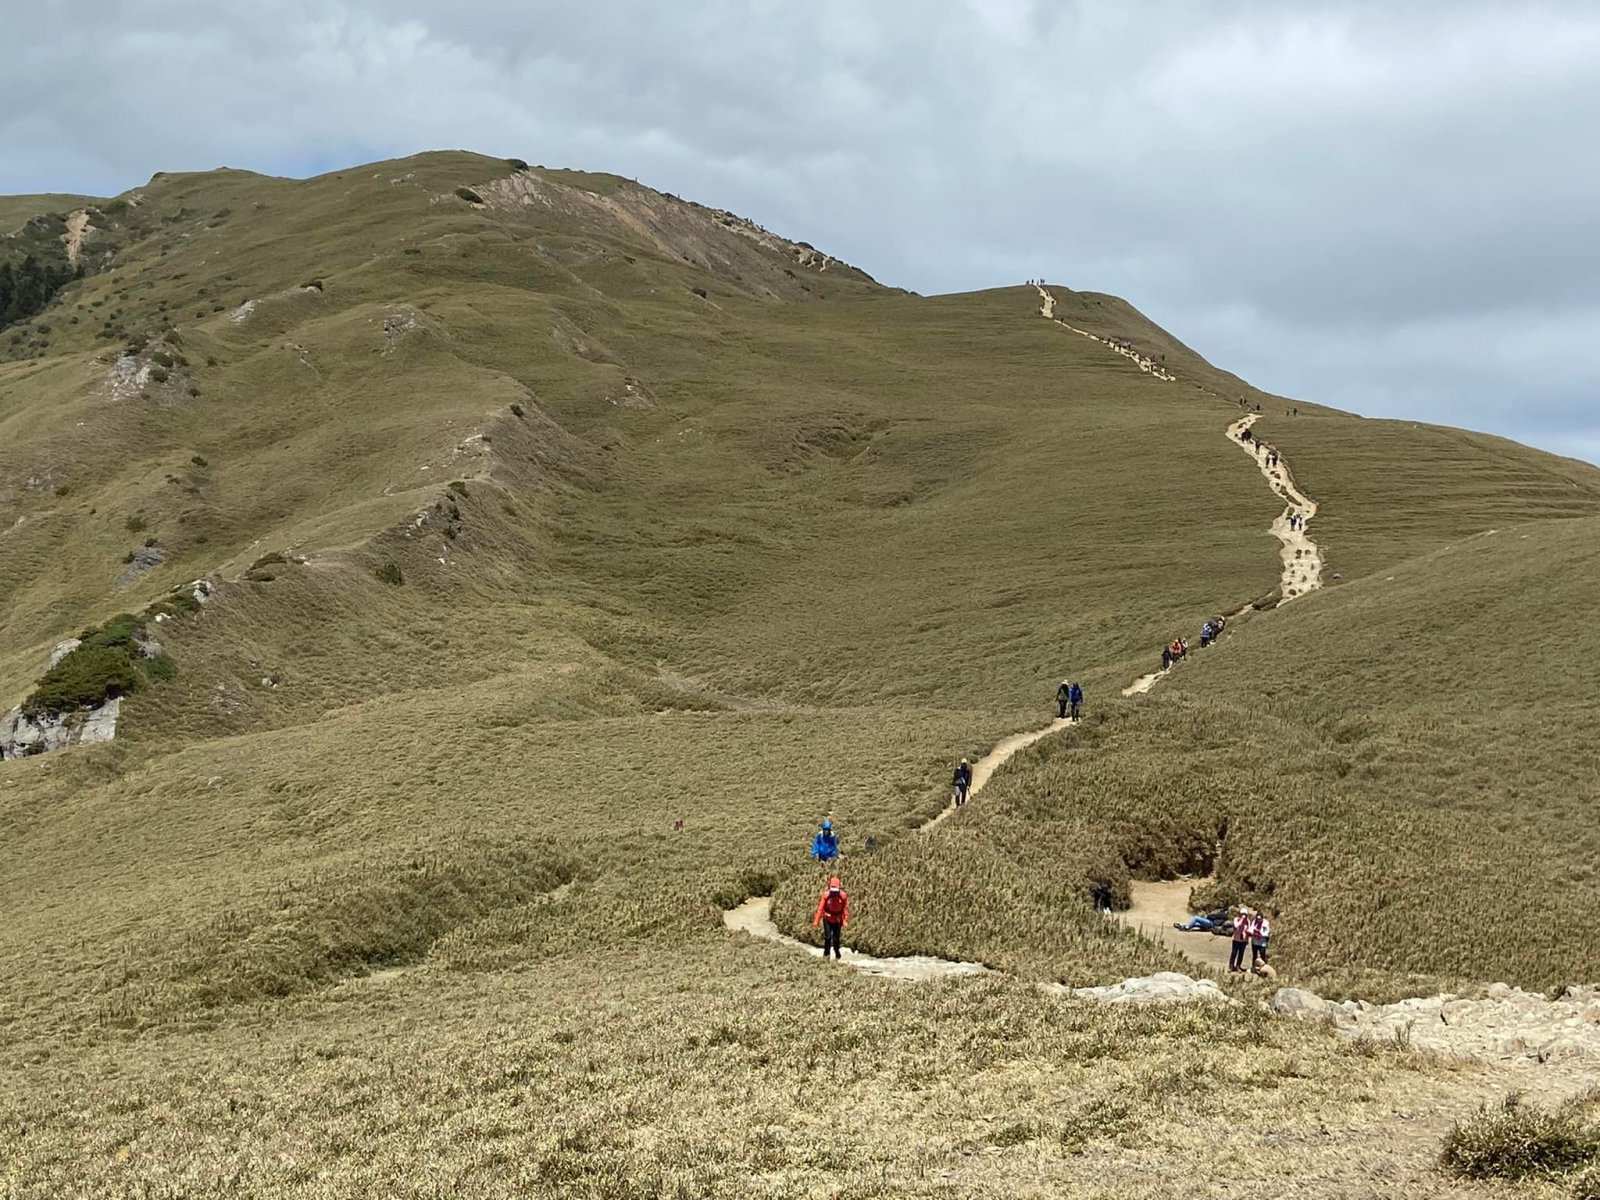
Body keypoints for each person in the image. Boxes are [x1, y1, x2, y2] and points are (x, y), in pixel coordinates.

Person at [812, 876, 849, 959]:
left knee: (836, 939)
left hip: (837, 919)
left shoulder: (843, 896)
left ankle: (837, 953)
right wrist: (816, 921)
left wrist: (845, 920)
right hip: (827, 918)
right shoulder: (826, 895)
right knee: (828, 937)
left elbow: (845, 909)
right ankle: (826, 955)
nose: (834, 893)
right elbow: (820, 908)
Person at [1229, 907, 1252, 973]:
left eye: (1245, 914)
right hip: (1236, 939)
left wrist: (1247, 939)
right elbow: (1236, 926)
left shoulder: (1248, 921)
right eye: (1242, 914)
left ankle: (1238, 966)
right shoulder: (1236, 919)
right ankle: (1231, 966)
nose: (1243, 916)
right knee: (1234, 953)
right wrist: (1241, 920)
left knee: (1241, 954)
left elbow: (1249, 930)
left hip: (1243, 940)